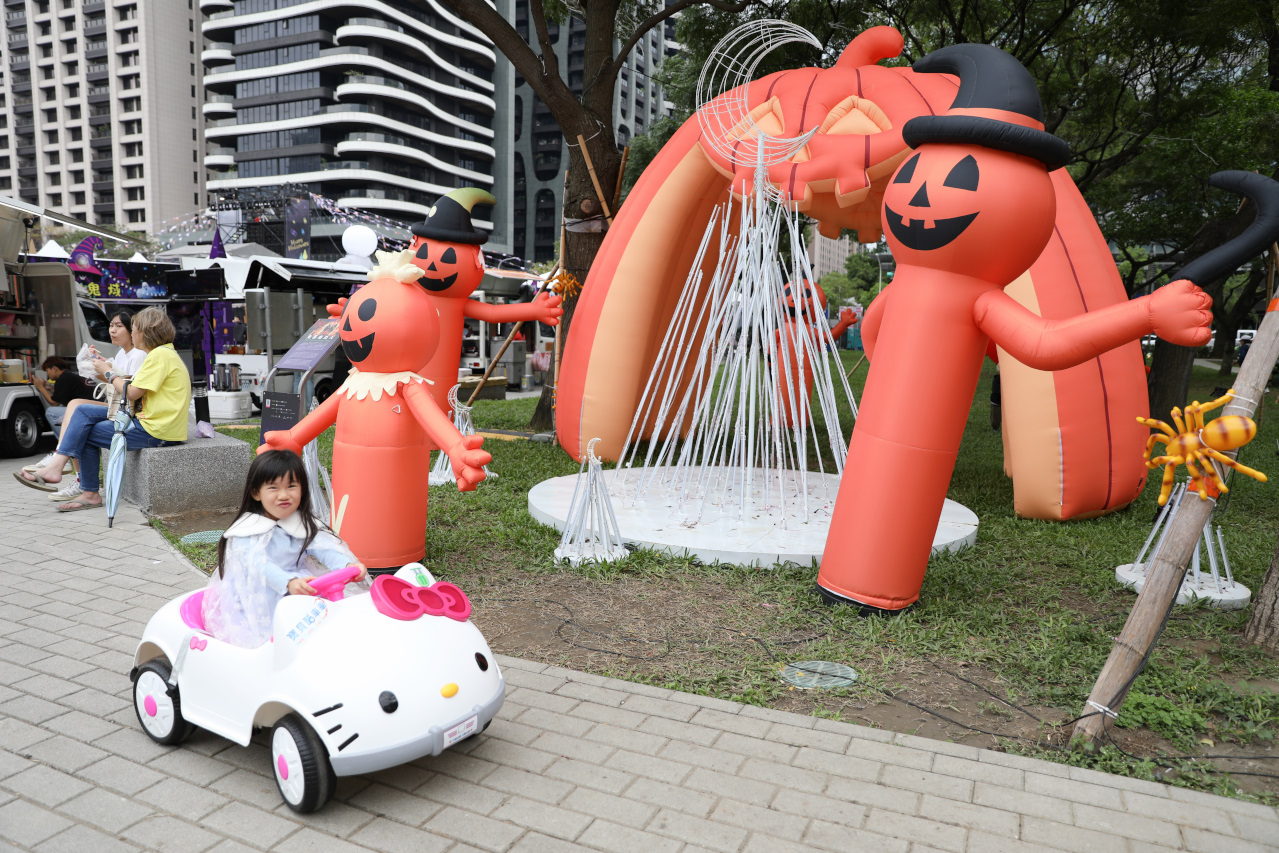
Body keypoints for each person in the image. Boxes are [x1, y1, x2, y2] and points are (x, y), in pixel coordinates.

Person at [13, 307, 191, 510]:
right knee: (81, 411)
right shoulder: (163, 353)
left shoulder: (159, 355)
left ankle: (83, 488)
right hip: (153, 423)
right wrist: (108, 369)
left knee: (85, 432)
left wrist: (108, 373)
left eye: (133, 329)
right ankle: (59, 466)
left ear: (146, 332)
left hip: (158, 431)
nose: (132, 334)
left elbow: (131, 393)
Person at [202, 450, 367, 648]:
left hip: (298, 584)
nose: (284, 495)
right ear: (256, 492)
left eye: (291, 486)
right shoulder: (245, 532)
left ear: (302, 489)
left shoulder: (301, 523)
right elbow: (258, 565)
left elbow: (325, 548)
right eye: (273, 488)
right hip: (261, 592)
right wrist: (287, 582)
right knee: (277, 632)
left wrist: (347, 564)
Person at [31, 356, 95, 430]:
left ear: (54, 369)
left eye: (47, 371)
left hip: (86, 410)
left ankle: (63, 440)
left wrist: (40, 387)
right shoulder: (72, 374)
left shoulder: (63, 378)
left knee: (50, 412)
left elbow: (54, 403)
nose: (47, 374)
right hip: (96, 407)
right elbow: (64, 396)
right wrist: (51, 389)